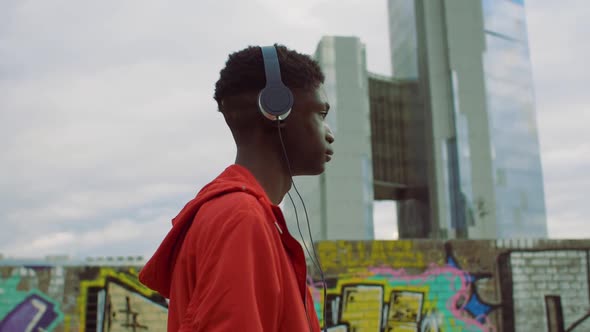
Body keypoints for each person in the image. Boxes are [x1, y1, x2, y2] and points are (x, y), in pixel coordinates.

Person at [139, 44, 334, 332]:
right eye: (320, 114)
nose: (329, 134)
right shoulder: (241, 218)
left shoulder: (245, 216)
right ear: (276, 109)